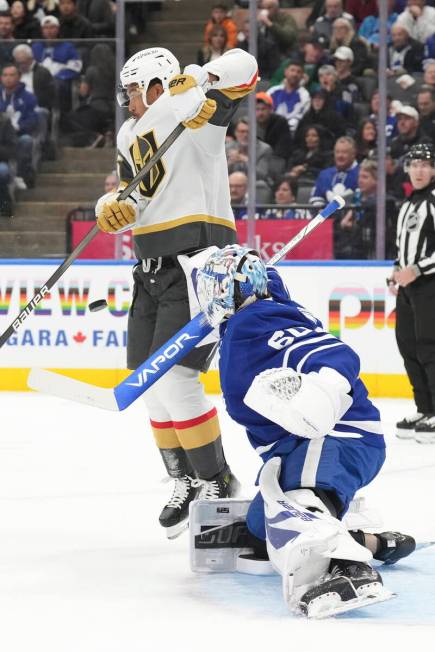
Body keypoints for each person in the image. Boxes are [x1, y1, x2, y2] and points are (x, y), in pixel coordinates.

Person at [195, 244, 415, 617]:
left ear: (225, 291)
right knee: (262, 529)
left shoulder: (257, 322)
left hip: (337, 437)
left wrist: (323, 391)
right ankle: (373, 543)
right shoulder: (261, 314)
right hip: (301, 444)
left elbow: (332, 354)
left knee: (299, 505)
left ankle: (351, 569)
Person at [94, 46, 258, 538]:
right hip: (150, 269)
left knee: (175, 380)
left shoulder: (195, 113)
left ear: (156, 85)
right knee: (148, 382)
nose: (127, 100)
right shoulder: (129, 133)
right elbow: (136, 196)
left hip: (196, 266)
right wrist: (112, 205)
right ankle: (184, 477)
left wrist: (201, 78)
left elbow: (246, 66)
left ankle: (217, 479)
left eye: (133, 89)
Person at [388, 143, 435, 443]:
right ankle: (424, 408)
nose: (419, 170)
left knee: (429, 346)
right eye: (414, 164)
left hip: (430, 285)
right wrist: (397, 270)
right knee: (408, 346)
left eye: (425, 165)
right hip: (407, 290)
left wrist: (416, 270)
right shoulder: (407, 204)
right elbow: (400, 247)